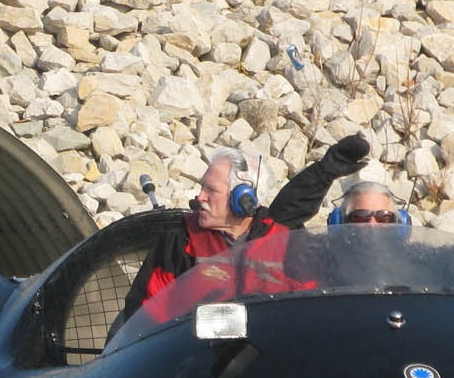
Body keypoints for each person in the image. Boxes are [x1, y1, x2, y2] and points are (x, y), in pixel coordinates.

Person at [119, 133, 371, 323]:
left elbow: (312, 312)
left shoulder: (286, 242)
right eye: (202, 187)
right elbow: (144, 314)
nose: (199, 197)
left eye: (211, 190)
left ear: (243, 199)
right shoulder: (180, 242)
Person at [332, 181, 454, 264]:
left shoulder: (421, 259)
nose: (373, 225)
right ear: (339, 222)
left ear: (399, 223)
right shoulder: (323, 259)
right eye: (361, 217)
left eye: (383, 217)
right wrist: (322, 174)